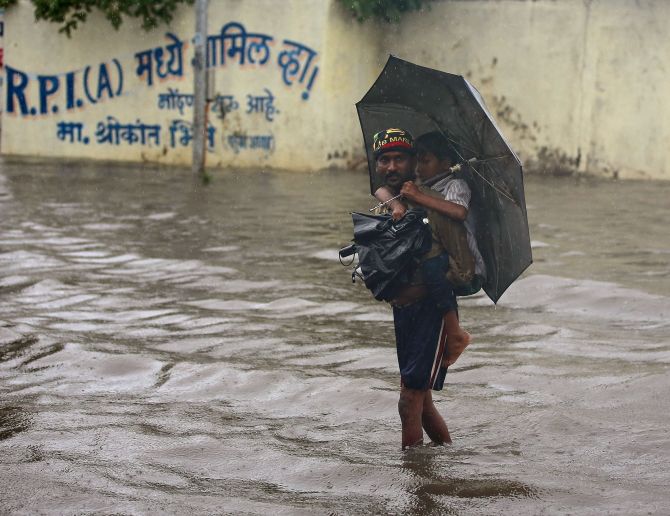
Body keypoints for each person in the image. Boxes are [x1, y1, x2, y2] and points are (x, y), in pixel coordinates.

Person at [371, 127, 456, 449]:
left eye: (399, 159)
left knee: (409, 401)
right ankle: (443, 464)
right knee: (422, 404)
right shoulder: (394, 198)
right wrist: (394, 205)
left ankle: (415, 485)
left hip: (430, 311)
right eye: (384, 160)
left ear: (414, 162)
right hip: (403, 311)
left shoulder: (429, 198)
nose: (391, 167)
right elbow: (380, 191)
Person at [374, 131, 480, 368]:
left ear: (445, 164)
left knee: (433, 269)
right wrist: (397, 203)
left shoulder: (456, 185)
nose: (419, 167)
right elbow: (379, 190)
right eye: (418, 160)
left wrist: (419, 197)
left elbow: (458, 212)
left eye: (426, 161)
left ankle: (455, 333)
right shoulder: (420, 185)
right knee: (416, 388)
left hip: (454, 255)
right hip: (425, 263)